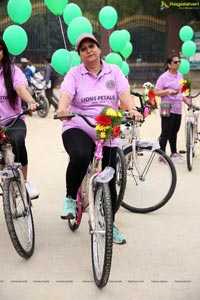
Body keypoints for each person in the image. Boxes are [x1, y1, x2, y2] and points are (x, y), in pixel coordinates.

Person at [56, 33, 143, 244]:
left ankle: (110, 223)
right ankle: (70, 199)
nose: (89, 51)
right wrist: (62, 108)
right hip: (79, 124)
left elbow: (123, 92)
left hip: (107, 127)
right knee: (80, 155)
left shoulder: (114, 71)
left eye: (91, 46)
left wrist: (131, 109)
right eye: (83, 48)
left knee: (110, 178)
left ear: (99, 48)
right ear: (80, 54)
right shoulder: (75, 73)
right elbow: (66, 93)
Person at [0, 37, 39, 199]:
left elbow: (21, 88)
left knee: (17, 141)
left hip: (13, 120)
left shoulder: (13, 70)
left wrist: (30, 101)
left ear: (4, 51)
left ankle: (25, 182)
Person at [154, 54, 191, 161]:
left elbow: (182, 92)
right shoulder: (164, 77)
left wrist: (188, 102)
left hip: (178, 107)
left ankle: (174, 152)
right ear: (169, 65)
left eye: (179, 61)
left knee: (175, 130)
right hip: (166, 105)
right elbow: (156, 92)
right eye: (175, 62)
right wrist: (167, 91)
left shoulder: (180, 76)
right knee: (166, 130)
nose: (178, 63)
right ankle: (162, 155)